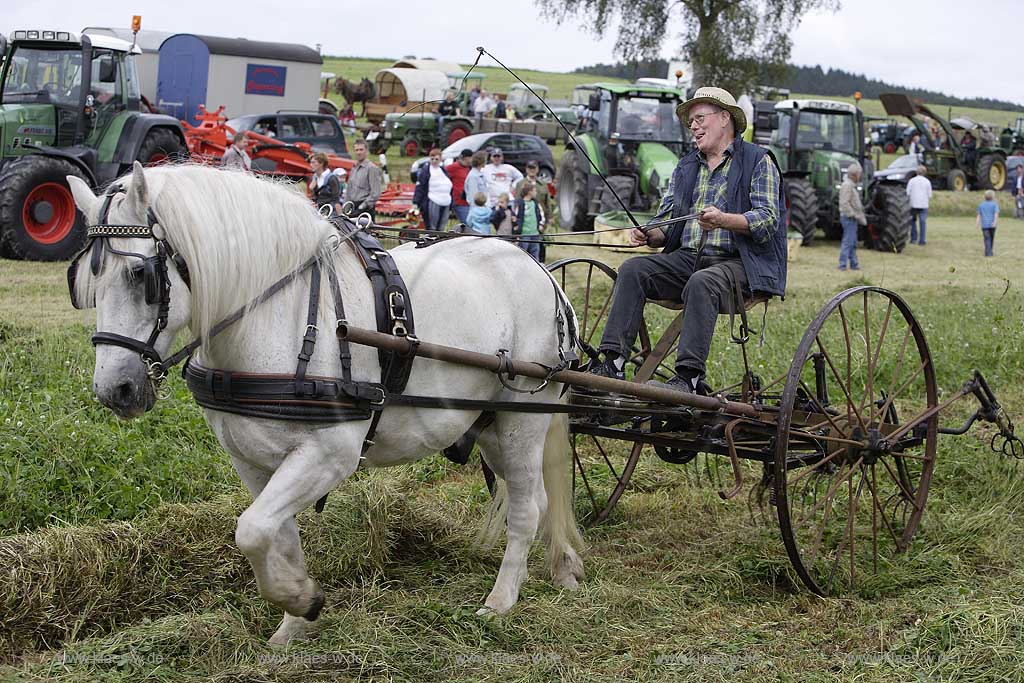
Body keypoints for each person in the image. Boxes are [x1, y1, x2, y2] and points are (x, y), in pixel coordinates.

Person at [587, 86, 786, 395]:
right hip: (690, 258)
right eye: (690, 121)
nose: (693, 126)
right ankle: (611, 363)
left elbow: (768, 219)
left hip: (742, 264)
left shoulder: (758, 161)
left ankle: (688, 379)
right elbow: (667, 223)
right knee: (633, 270)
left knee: (702, 282)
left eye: (699, 118)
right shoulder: (686, 166)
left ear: (724, 119)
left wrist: (724, 219)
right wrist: (650, 234)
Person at [515, 161, 552, 261]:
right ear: (526, 169)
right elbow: (517, 201)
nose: (532, 170)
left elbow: (547, 201)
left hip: (539, 217)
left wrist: (550, 216)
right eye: (529, 168)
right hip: (526, 220)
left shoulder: (542, 184)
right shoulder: (520, 184)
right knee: (525, 246)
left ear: (537, 169)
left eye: (534, 168)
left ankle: (540, 261)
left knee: (539, 242)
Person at [413, 147, 453, 230]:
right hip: (433, 200)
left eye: (436, 159)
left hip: (446, 202)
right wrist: (416, 202)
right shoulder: (426, 170)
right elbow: (420, 186)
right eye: (432, 159)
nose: (434, 161)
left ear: (440, 159)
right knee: (432, 226)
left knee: (442, 226)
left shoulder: (443, 170)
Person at [343, 139, 383, 219]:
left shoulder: (372, 168)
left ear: (366, 151)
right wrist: (346, 208)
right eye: (356, 150)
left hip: (365, 210)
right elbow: (349, 189)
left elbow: (375, 193)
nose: (358, 152)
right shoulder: (354, 168)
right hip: (352, 207)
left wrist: (362, 207)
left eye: (361, 150)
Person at [838, 162, 866, 269]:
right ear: (854, 175)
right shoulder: (847, 186)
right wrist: (853, 214)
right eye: (859, 174)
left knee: (852, 242)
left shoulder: (850, 185)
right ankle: (842, 264)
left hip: (851, 218)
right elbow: (844, 203)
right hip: (848, 218)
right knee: (848, 241)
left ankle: (854, 264)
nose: (860, 176)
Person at [512, 181, 545, 260]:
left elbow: (541, 214)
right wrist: (516, 225)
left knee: (535, 252)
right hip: (524, 233)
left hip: (535, 233)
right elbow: (515, 216)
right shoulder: (520, 203)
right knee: (523, 252)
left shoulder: (535, 203)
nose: (536, 192)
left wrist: (541, 224)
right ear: (529, 192)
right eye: (534, 191)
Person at [445, 149, 474, 225]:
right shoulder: (453, 167)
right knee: (467, 223)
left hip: (469, 201)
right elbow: (442, 173)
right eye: (471, 157)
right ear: (466, 158)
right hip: (459, 201)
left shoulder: (469, 168)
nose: (472, 160)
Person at [906, 165, 932, 245]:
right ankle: (922, 240)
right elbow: (930, 195)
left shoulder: (912, 181)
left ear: (917, 172)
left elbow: (907, 192)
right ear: (925, 173)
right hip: (924, 204)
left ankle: (913, 239)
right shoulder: (927, 182)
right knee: (923, 222)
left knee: (913, 221)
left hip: (913, 204)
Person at [977, 189, 999, 257]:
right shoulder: (995, 205)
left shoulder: (981, 205)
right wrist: (995, 222)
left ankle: (988, 252)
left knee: (987, 239)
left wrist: (977, 223)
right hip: (992, 225)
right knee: (991, 238)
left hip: (984, 225)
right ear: (993, 197)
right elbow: (996, 214)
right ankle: (989, 252)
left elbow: (979, 215)